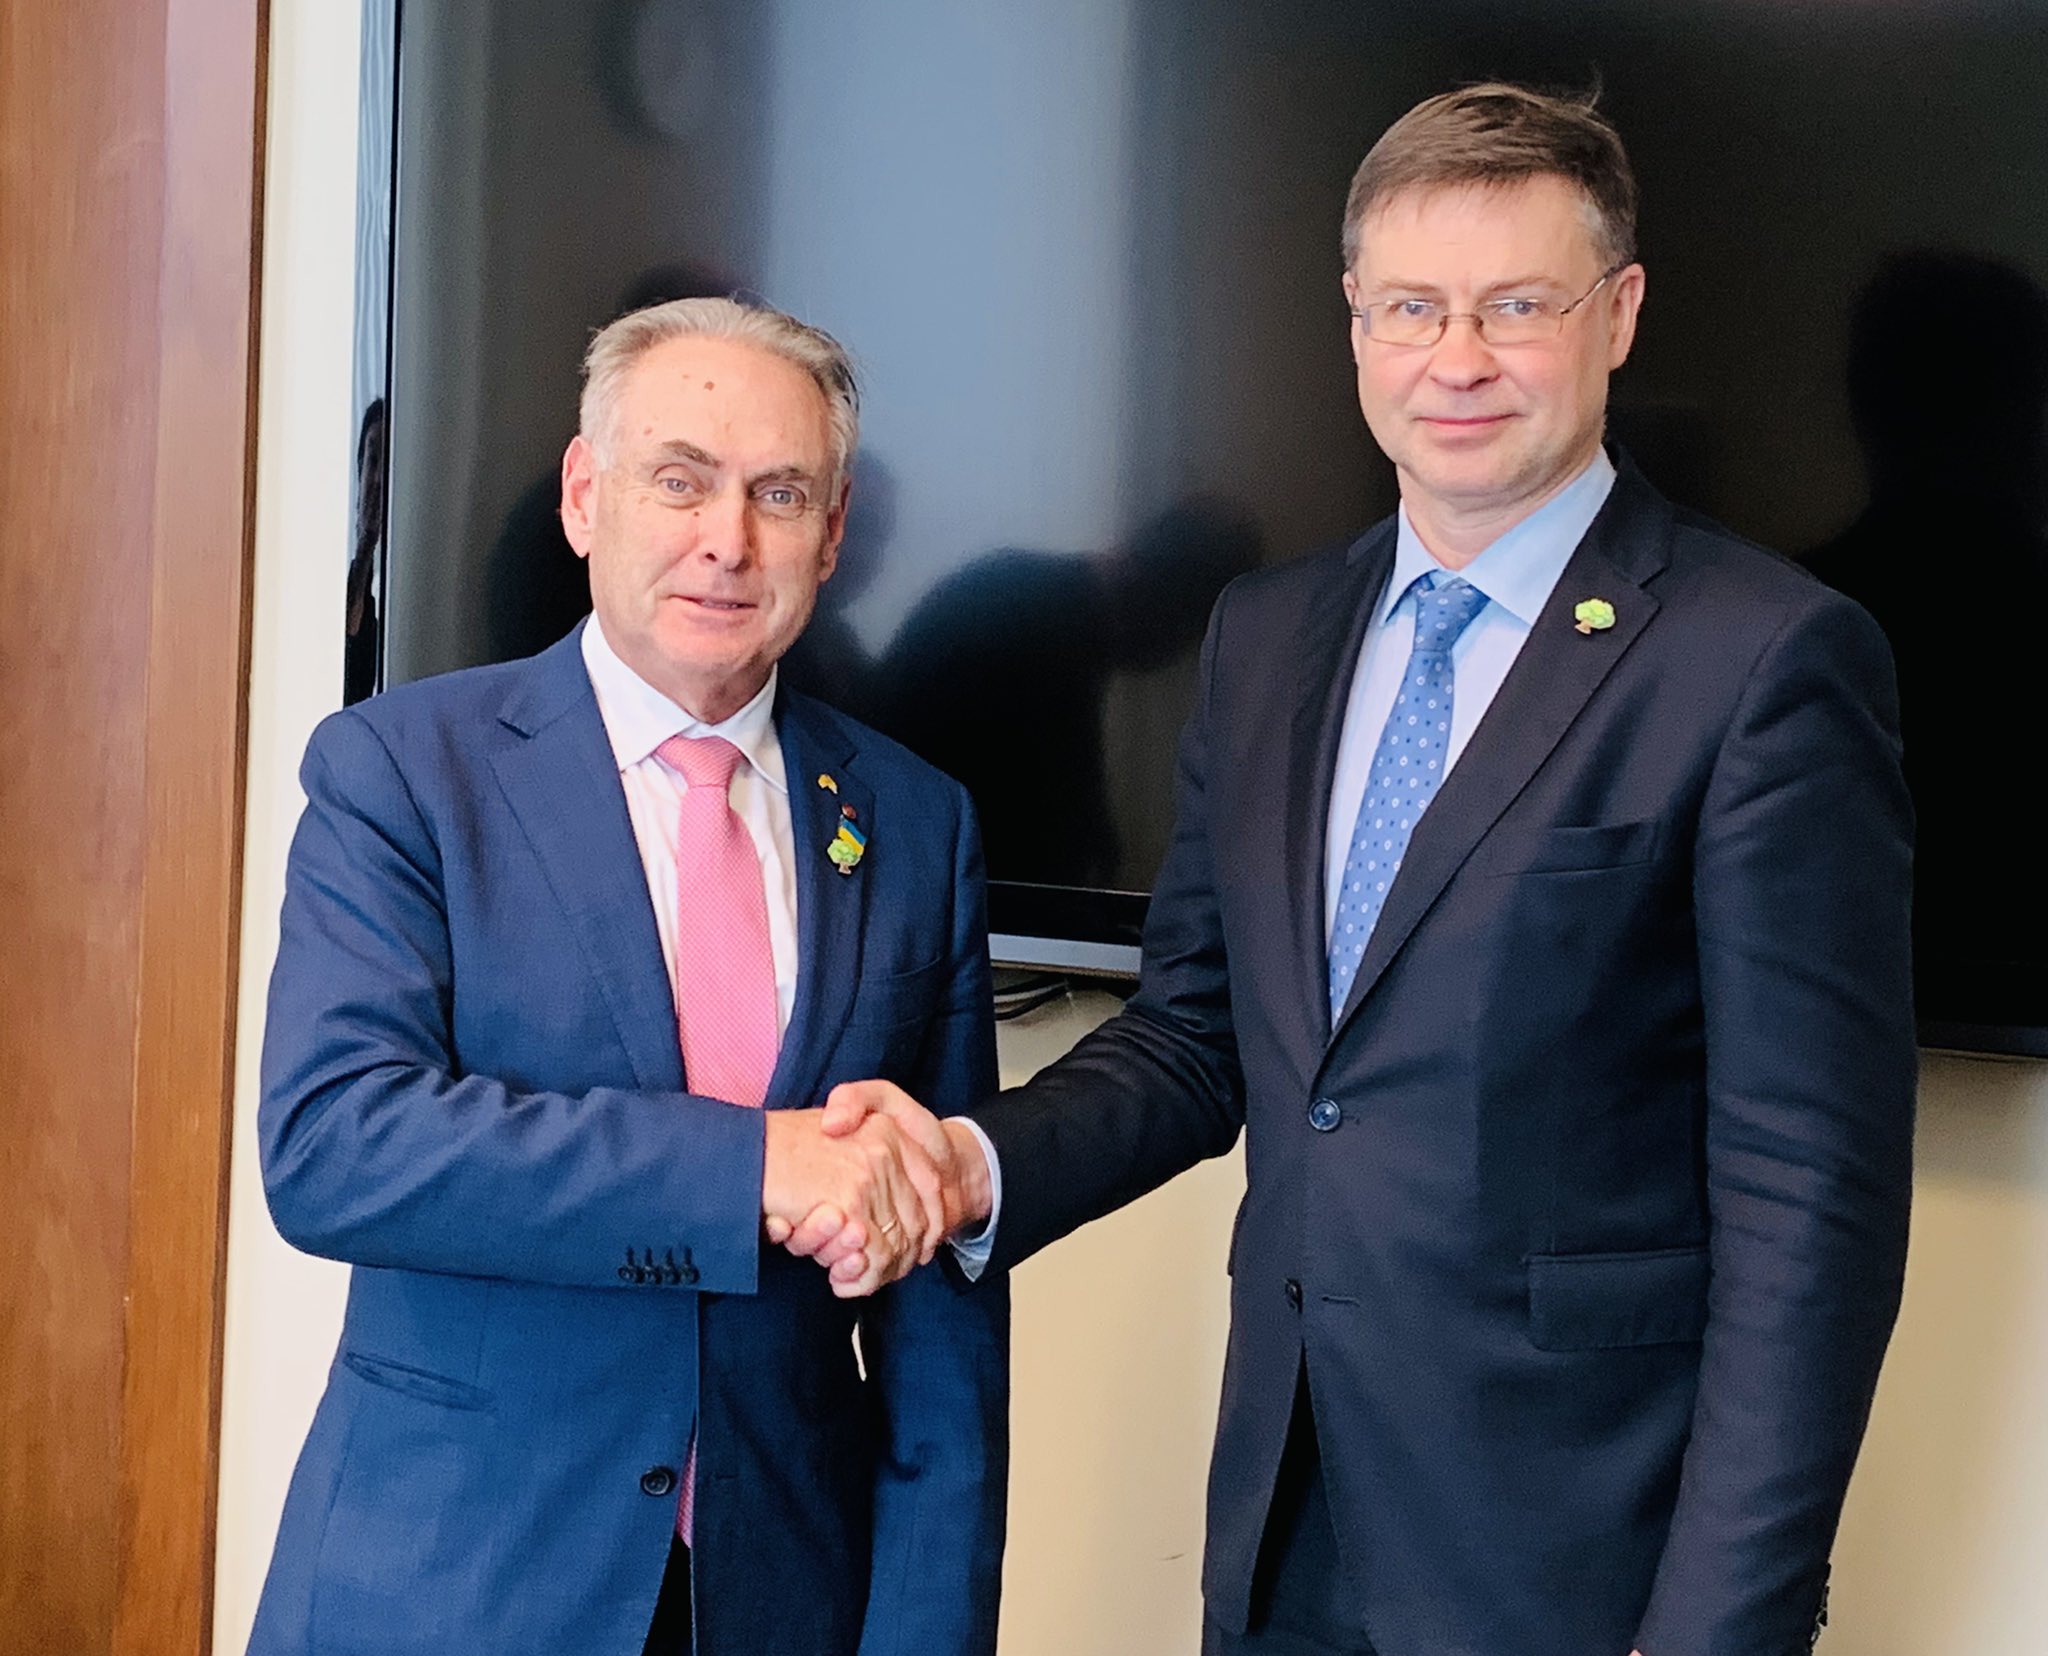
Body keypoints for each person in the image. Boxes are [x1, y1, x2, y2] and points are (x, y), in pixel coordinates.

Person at [821, 84, 1915, 1656]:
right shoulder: (1267, 638)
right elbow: (1199, 1036)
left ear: (1619, 314)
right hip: (1290, 1527)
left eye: (1514, 306)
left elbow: (1810, 1201)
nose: (1455, 361)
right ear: (1355, 321)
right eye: (1411, 307)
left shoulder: (1766, 659)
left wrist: (1721, 1625)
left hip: (1587, 1563)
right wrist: (968, 1166)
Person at [249, 297, 1008, 1656]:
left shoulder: (915, 820)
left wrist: (927, 1630)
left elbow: (940, 1294)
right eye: (681, 480)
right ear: (585, 497)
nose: (729, 539)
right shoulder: (403, 772)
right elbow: (334, 1148)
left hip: (781, 1596)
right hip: (458, 1583)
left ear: (832, 536)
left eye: (781, 493)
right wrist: (752, 1169)